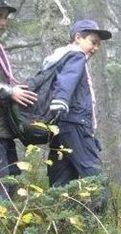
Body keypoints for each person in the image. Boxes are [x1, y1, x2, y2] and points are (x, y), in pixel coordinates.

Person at [44, 19, 112, 188]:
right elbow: (67, 80)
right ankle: (99, 215)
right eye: (93, 42)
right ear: (78, 38)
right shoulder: (76, 56)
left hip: (59, 126)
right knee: (95, 177)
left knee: (61, 180)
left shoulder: (59, 58)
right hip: (76, 125)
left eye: (98, 45)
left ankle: (60, 214)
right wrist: (60, 102)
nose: (95, 48)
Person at [0, 1, 37, 200]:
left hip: (4, 133)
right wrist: (9, 91)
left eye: (5, 17)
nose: (4, 23)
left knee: (13, 180)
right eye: (0, 17)